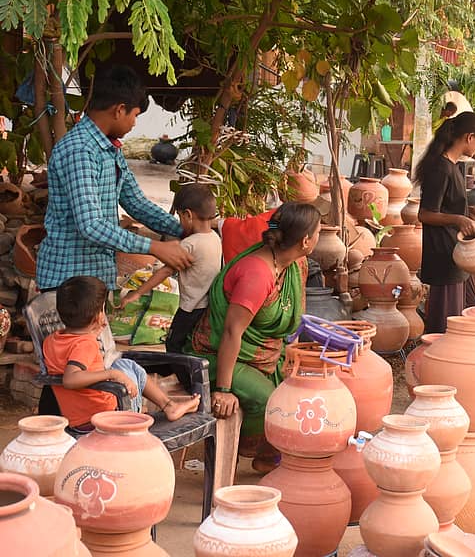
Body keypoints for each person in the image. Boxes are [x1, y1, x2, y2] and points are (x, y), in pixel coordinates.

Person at [37, 65, 192, 292]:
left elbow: (136, 203)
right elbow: (91, 225)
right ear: (119, 110)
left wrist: (184, 230)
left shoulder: (109, 149)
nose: (134, 124)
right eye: (135, 115)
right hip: (68, 282)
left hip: (95, 277)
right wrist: (154, 247)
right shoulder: (80, 149)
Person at [189, 202, 319, 472]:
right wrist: (223, 391)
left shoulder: (294, 264)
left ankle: (267, 458)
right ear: (306, 240)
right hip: (217, 355)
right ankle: (236, 451)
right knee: (272, 403)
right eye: (319, 232)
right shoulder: (257, 273)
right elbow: (231, 331)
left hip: (264, 352)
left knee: (303, 391)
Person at [43, 276, 200, 430]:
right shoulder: (85, 344)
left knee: (122, 364)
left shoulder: (52, 340)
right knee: (124, 367)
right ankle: (168, 405)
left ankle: (169, 406)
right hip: (110, 417)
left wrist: (91, 335)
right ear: (98, 315)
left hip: (79, 420)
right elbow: (70, 379)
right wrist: (111, 374)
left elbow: (72, 356)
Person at [121, 184, 222, 352]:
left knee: (173, 343)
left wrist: (137, 292)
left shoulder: (190, 243)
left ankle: (176, 375)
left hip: (189, 308)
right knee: (191, 343)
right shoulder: (215, 238)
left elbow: (166, 271)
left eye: (180, 216)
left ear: (188, 215)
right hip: (207, 306)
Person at [415, 112, 475, 334]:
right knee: (446, 326)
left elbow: (448, 203)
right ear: (469, 137)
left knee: (467, 315)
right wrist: (459, 219)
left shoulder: (453, 166)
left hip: (458, 255)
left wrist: (470, 211)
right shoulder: (440, 168)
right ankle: (436, 363)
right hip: (444, 255)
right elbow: (425, 214)